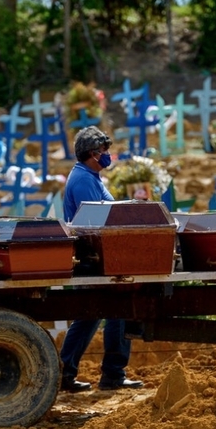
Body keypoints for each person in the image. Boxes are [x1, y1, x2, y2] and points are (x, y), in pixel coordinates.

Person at [60, 126, 144, 392]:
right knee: (117, 310)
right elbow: (98, 221)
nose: (108, 155)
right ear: (92, 154)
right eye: (104, 151)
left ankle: (65, 373)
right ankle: (113, 375)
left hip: (97, 256)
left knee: (89, 317)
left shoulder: (90, 176)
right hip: (95, 257)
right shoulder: (84, 180)